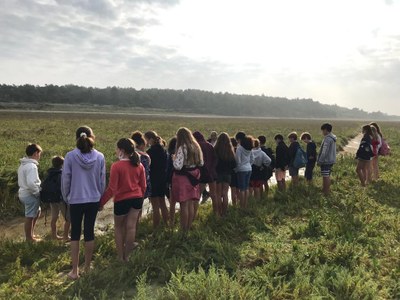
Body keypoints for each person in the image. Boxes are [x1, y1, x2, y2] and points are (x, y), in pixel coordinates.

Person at [62, 126, 106, 280]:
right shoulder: (100, 156)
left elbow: (66, 179)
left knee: (75, 234)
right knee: (89, 232)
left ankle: (74, 270)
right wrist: (100, 198)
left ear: (77, 138)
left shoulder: (70, 156)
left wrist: (67, 197)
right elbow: (102, 181)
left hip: (75, 199)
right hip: (93, 199)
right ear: (91, 137)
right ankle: (87, 267)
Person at [100, 138, 146, 261]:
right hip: (136, 198)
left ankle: (121, 257)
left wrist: (101, 202)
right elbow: (143, 186)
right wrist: (140, 199)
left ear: (122, 150)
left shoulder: (116, 166)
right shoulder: (139, 165)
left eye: (117, 148)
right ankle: (128, 255)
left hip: (122, 200)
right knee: (131, 227)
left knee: (119, 228)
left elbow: (112, 189)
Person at [172, 127, 203, 231]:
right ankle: (188, 227)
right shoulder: (196, 146)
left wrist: (174, 159)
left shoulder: (182, 147)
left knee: (184, 204)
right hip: (194, 176)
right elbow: (201, 163)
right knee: (190, 203)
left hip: (183, 178)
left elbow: (178, 166)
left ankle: (183, 228)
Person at [41, 156, 70, 241]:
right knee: (68, 218)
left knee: (54, 218)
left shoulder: (50, 173)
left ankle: (54, 236)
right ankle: (66, 236)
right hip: (61, 199)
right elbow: (64, 187)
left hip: (52, 199)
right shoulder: (62, 174)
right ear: (62, 164)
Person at [18, 143, 42, 242]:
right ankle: (29, 238)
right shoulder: (32, 166)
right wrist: (37, 193)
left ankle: (31, 234)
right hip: (29, 194)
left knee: (37, 212)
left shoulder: (23, 165)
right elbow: (32, 183)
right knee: (30, 216)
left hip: (23, 192)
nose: (40, 156)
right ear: (36, 153)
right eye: (40, 153)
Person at [144, 131, 168, 229]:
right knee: (163, 203)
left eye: (146, 139)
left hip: (153, 180)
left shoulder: (149, 152)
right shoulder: (163, 150)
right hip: (162, 179)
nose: (145, 142)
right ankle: (167, 224)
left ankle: (156, 229)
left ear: (150, 140)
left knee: (155, 206)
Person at [193, 131, 218, 215]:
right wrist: (212, 169)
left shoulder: (197, 146)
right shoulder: (209, 145)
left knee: (198, 195)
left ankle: (194, 215)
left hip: (202, 173)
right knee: (214, 194)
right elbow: (215, 159)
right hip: (212, 173)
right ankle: (216, 213)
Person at [214, 132, 236, 216]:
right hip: (227, 175)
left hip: (218, 174)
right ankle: (224, 212)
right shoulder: (230, 150)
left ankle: (218, 212)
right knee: (225, 193)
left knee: (218, 194)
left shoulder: (215, 149)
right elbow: (234, 164)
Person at [235, 133, 254, 209]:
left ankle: (242, 206)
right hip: (249, 169)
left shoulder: (239, 148)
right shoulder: (249, 147)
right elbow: (252, 159)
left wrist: (236, 169)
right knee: (246, 188)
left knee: (242, 189)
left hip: (241, 170)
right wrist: (249, 165)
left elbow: (238, 161)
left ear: (239, 139)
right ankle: (246, 205)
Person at [317, 123, 337, 196]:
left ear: (325, 130)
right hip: (330, 160)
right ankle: (326, 190)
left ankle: (326, 192)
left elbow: (324, 152)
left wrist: (320, 161)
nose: (322, 132)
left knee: (325, 177)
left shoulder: (327, 139)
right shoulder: (332, 138)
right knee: (327, 175)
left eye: (322, 130)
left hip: (326, 161)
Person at [131, 131, 151, 200]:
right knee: (138, 209)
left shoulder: (127, 156)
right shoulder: (144, 157)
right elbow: (145, 175)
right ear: (141, 144)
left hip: (128, 188)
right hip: (139, 189)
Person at [166, 137, 177, 226]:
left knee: (172, 202)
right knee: (183, 202)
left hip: (173, 180)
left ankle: (172, 221)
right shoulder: (182, 153)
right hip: (183, 179)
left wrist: (168, 180)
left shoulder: (170, 154)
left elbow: (169, 168)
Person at [229, 138, 239, 206]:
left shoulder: (230, 151)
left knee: (233, 189)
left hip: (232, 172)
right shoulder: (239, 150)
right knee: (238, 189)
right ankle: (239, 202)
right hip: (239, 171)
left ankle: (234, 204)